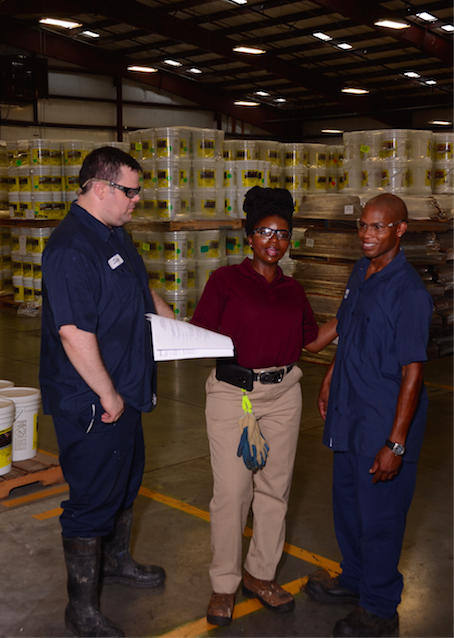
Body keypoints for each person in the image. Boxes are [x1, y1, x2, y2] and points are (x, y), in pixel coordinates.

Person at [39, 146, 174, 637]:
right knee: (91, 500)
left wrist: (171, 320)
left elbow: (139, 289)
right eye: (131, 191)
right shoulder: (72, 247)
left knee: (123, 485)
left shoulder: (113, 235)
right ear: (101, 187)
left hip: (127, 391)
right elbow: (73, 333)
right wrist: (108, 395)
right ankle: (82, 610)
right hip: (94, 401)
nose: (137, 200)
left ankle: (116, 563)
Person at [190, 186, 338, 626]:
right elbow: (200, 335)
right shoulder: (224, 282)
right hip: (233, 396)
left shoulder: (294, 291)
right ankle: (224, 584)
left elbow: (311, 342)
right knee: (233, 494)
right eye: (265, 232)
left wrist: (350, 310)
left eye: (283, 235)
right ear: (248, 236)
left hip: (283, 396)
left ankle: (260, 574)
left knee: (275, 491)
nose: (274, 241)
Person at [304, 193, 433, 637]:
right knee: (347, 508)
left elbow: (412, 373)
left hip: (382, 422)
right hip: (349, 413)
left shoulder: (410, 293)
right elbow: (349, 327)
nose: (367, 235)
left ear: (401, 230)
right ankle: (355, 579)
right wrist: (329, 379)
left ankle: (380, 608)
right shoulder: (361, 270)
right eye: (363, 225)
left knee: (380, 519)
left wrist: (396, 443)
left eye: (378, 227)